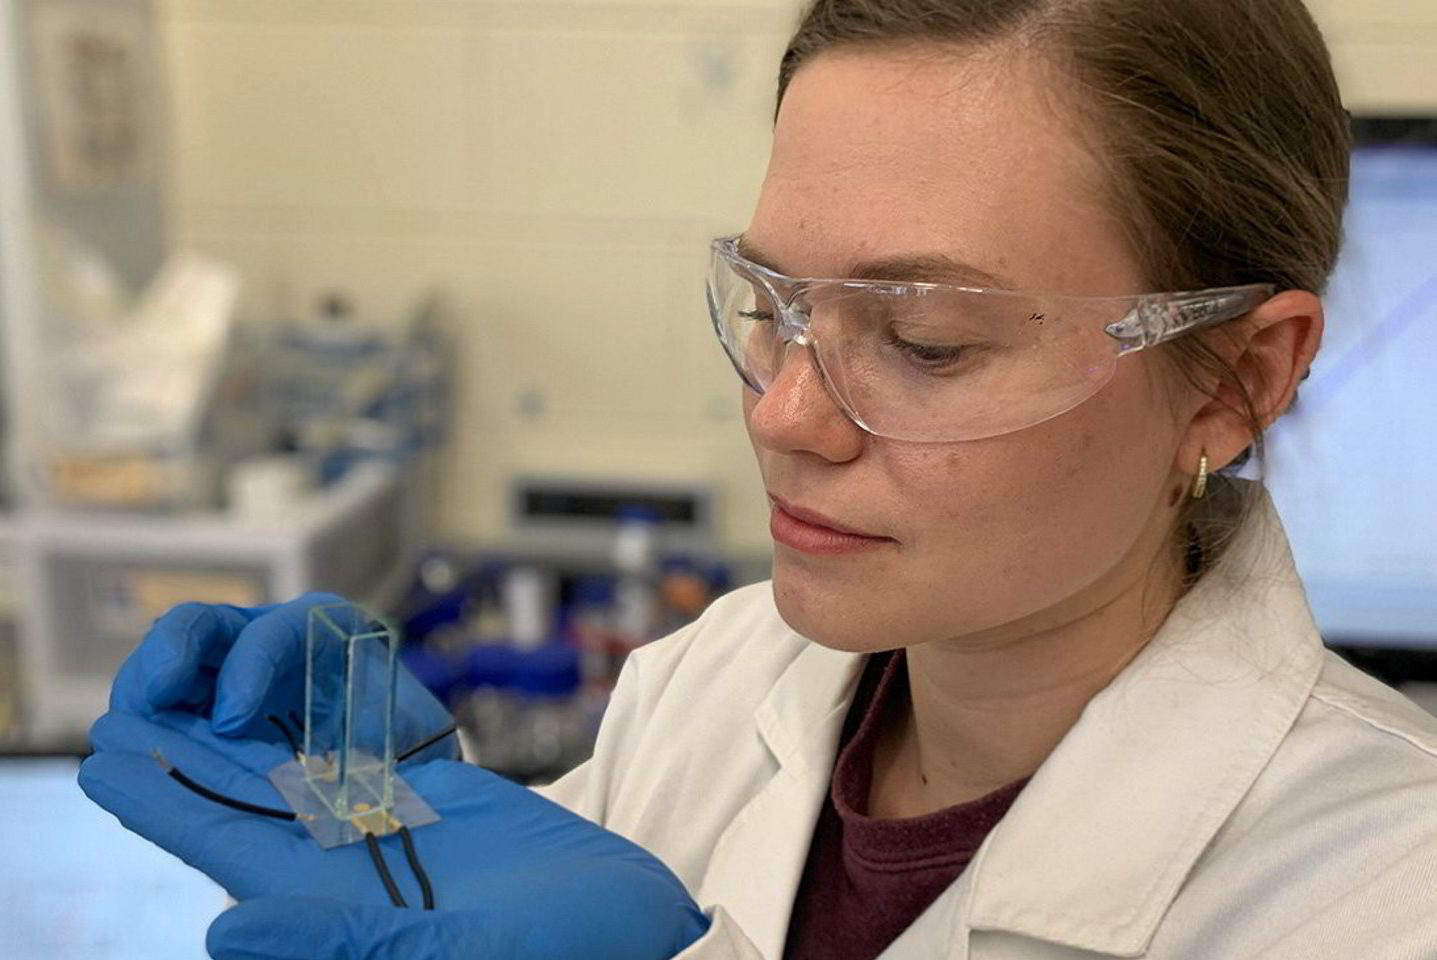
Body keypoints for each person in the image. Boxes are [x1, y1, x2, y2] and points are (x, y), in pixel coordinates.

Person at [79, 1, 1437, 958]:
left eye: (926, 340)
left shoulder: (1383, 896)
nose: (784, 415)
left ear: (1236, 380)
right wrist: (380, 815)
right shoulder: (714, 686)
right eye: (774, 306)